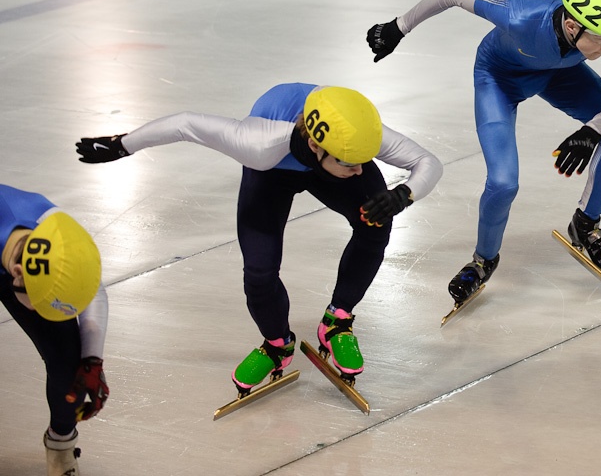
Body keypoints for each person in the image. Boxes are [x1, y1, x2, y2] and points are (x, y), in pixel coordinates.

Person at [76, 84, 442, 389]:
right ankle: (277, 344)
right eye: (352, 163)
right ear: (316, 146)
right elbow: (186, 124)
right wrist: (123, 144)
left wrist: (402, 195)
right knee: (259, 271)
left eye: (365, 158)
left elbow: (428, 162)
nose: (362, 169)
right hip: (272, 171)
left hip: (325, 149)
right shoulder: (257, 142)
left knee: (375, 224)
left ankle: (337, 320)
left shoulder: (356, 135)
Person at [366, 0, 601, 305]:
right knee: (504, 182)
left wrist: (593, 129)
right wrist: (399, 26)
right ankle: (483, 261)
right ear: (571, 26)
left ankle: (585, 224)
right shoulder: (522, 15)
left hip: (558, 75)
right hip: (499, 78)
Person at [0, 184, 108, 476]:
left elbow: (92, 287)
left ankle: (60, 447)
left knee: (70, 366)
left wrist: (92, 360)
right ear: (19, 273)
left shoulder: (60, 232)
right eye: (42, 303)